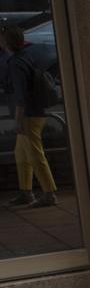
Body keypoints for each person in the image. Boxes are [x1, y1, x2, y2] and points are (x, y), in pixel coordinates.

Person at [1, 25, 57, 208]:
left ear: (6, 43)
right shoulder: (25, 58)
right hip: (34, 113)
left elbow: (20, 95)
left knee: (34, 154)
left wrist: (18, 119)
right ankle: (26, 192)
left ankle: (48, 193)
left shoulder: (15, 64)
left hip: (28, 116)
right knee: (22, 154)